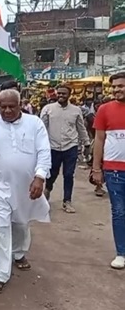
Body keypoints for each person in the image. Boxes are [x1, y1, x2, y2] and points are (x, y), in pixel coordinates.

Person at [0, 89, 51, 293]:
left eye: (11, 106)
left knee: (21, 223)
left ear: (20, 103)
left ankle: (19, 253)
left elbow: (43, 151)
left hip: (26, 185)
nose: (6, 110)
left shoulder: (35, 123)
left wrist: (40, 177)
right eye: (2, 106)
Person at [92, 72, 125, 270]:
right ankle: (121, 252)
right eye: (114, 87)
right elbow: (99, 140)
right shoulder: (104, 110)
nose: (116, 90)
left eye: (120, 86)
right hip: (114, 171)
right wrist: (97, 168)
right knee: (119, 212)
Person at [40, 86, 90, 213]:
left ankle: (67, 201)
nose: (61, 95)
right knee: (52, 173)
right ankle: (48, 190)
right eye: (59, 93)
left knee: (69, 175)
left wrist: (87, 143)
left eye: (64, 93)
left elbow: (81, 128)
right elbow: (41, 128)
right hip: (53, 147)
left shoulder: (76, 110)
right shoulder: (48, 109)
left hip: (70, 146)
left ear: (69, 94)